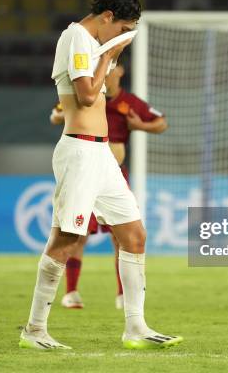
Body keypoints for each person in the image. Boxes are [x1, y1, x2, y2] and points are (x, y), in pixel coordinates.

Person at [19, 0, 182, 350]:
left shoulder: (91, 44)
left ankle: (135, 327)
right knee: (66, 240)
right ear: (107, 17)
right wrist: (110, 55)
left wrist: (106, 52)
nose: (123, 36)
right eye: (123, 28)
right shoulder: (77, 37)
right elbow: (88, 96)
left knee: (135, 234)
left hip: (102, 156)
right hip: (79, 152)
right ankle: (34, 330)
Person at [49, 59, 167, 310]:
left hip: (115, 176)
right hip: (84, 173)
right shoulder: (87, 96)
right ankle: (71, 292)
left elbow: (161, 122)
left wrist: (141, 126)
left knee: (121, 235)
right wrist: (60, 115)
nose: (107, 72)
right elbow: (55, 114)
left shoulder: (130, 103)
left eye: (113, 67)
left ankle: (122, 295)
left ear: (121, 71)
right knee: (77, 234)